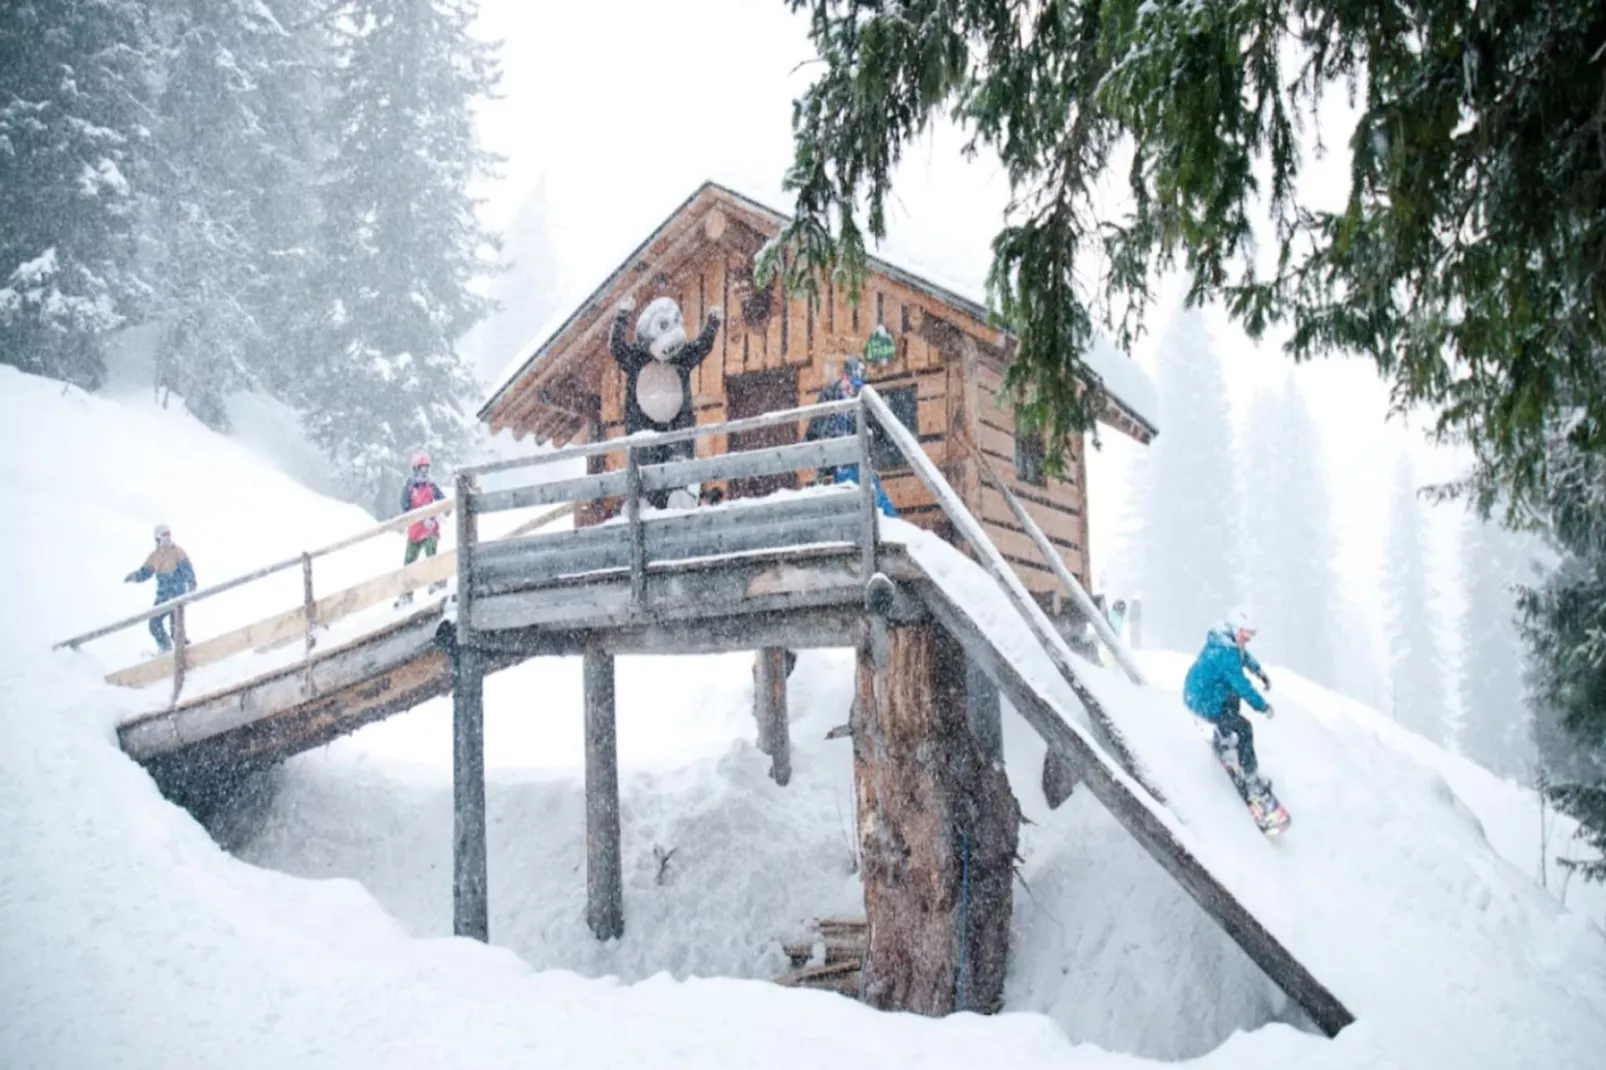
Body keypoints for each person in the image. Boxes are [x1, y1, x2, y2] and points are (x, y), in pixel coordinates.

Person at [1183, 607, 1275, 795]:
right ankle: (1250, 779)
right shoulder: (1225, 651)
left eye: (1251, 635)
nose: (1248, 639)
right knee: (1244, 728)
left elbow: (1244, 656)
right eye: (1246, 634)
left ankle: (1224, 735)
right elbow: (1242, 685)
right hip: (1203, 700)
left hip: (1202, 692)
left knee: (1233, 700)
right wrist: (1263, 706)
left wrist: (1259, 672)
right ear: (1235, 628)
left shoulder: (1225, 640)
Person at [803, 356, 898, 517]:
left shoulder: (863, 399)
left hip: (858, 462)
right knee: (848, 500)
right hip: (834, 464)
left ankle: (892, 525)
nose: (853, 389)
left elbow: (879, 432)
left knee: (874, 499)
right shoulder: (829, 396)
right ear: (844, 377)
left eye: (858, 385)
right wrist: (820, 448)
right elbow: (813, 430)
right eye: (852, 383)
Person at [124, 524, 198, 653]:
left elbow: (187, 569)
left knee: (176, 628)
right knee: (154, 624)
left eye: (169, 538)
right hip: (163, 597)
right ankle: (165, 647)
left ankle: (185, 650)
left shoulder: (177, 552)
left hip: (177, 595)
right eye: (164, 539)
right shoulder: (154, 556)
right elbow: (145, 573)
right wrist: (135, 577)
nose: (167, 542)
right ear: (157, 540)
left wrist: (191, 583)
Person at [398, 451, 447, 604]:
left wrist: (445, 509)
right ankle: (406, 594)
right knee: (409, 562)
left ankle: (434, 583)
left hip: (430, 529)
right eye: (421, 469)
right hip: (415, 531)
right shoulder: (410, 486)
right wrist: (420, 519)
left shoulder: (431, 485)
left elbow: (443, 500)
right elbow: (405, 506)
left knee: (431, 552)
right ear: (415, 469)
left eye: (426, 468)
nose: (424, 472)